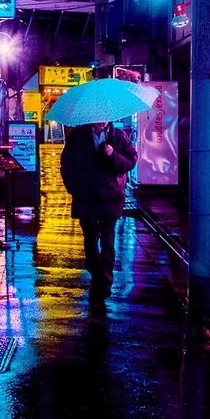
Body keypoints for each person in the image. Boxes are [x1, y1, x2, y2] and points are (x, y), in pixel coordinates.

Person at [60, 119, 138, 302]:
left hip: (110, 198)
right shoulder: (78, 137)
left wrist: (113, 155)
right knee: (90, 240)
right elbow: (66, 164)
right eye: (98, 119)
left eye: (105, 118)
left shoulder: (118, 136)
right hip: (86, 198)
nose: (102, 122)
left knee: (108, 242)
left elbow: (130, 161)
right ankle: (95, 271)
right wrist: (73, 188)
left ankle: (105, 280)